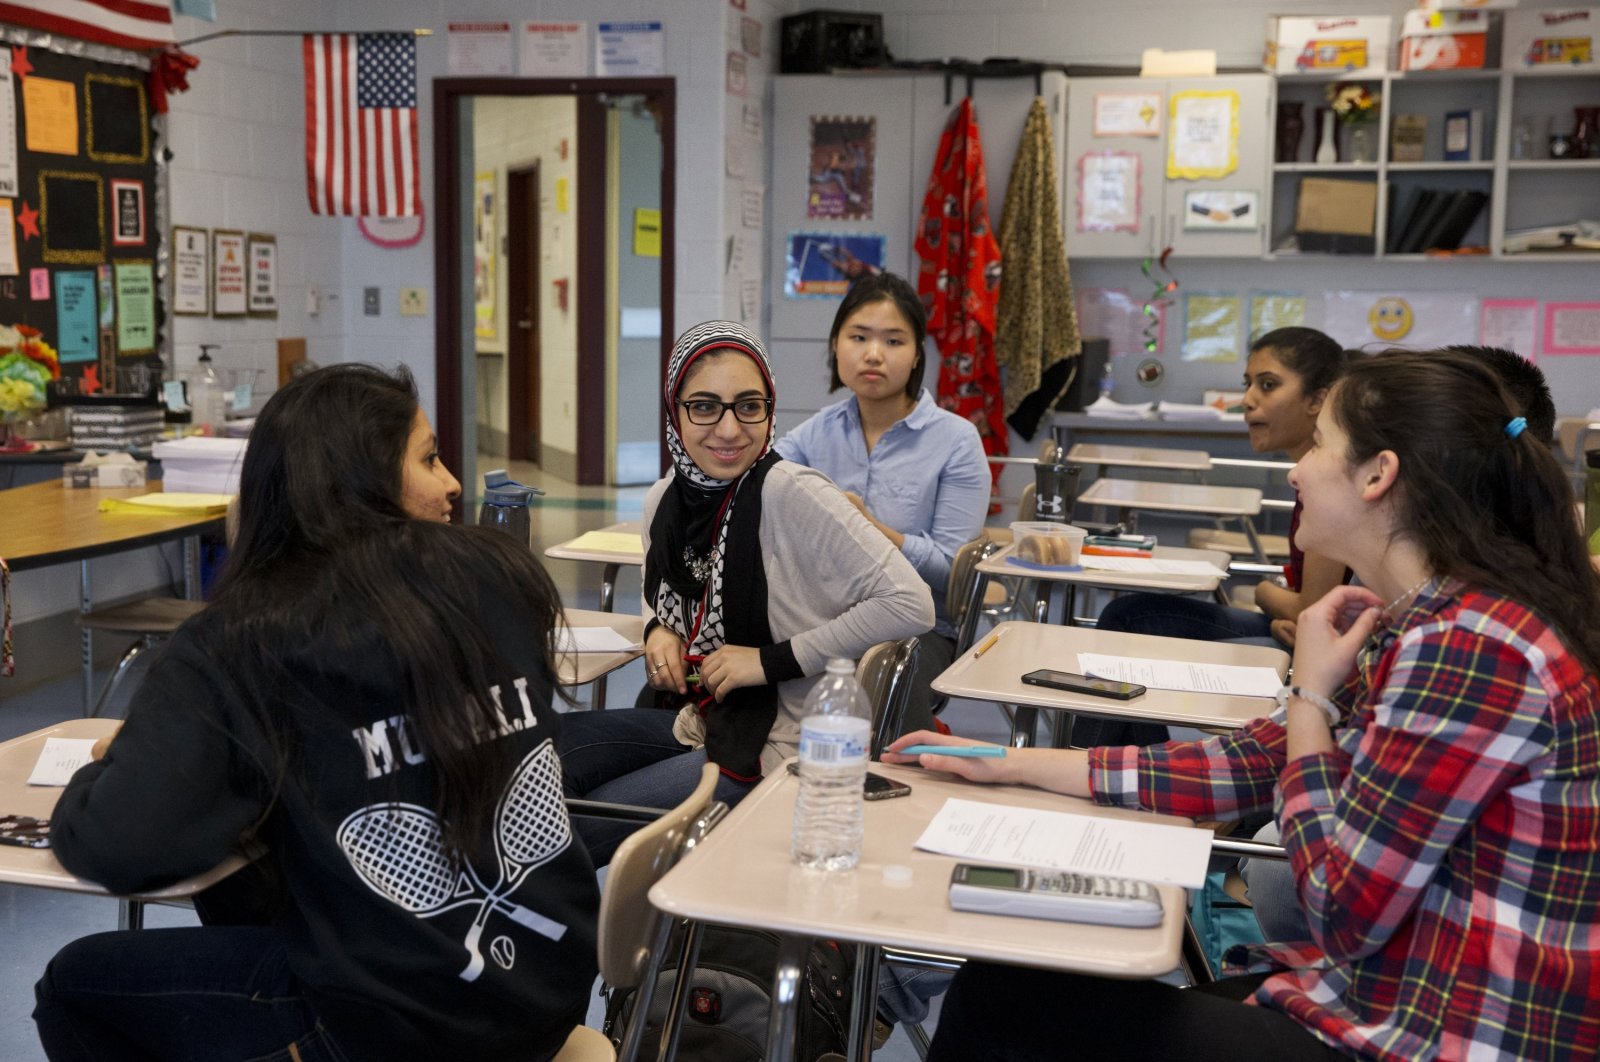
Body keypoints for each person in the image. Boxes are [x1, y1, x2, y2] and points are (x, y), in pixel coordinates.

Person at [887, 347, 1600, 1060]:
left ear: (1380, 475)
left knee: (1004, 999)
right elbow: (1252, 758)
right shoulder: (1429, 617)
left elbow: (1339, 908)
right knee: (1037, 983)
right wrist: (1015, 766)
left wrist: (1312, 700)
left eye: (1321, 446)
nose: (1297, 469)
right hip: (1389, 999)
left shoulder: (1472, 649)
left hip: (1438, 1035)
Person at [33, 365, 599, 1062]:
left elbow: (117, 846)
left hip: (401, 1030)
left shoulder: (245, 640)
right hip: (547, 996)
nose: (453, 483)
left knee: (73, 984)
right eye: (428, 458)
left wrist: (104, 772)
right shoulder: (496, 577)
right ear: (355, 478)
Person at [558, 321, 933, 862]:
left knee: (576, 831)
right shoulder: (665, 500)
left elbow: (911, 603)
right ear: (675, 410)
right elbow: (662, 586)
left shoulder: (791, 492)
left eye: (749, 406)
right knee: (534, 762)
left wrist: (770, 660)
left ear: (769, 408)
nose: (730, 430)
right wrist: (657, 626)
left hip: (781, 742)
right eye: (705, 407)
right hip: (705, 718)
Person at [1077, 327, 1352, 748]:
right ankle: (1131, 763)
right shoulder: (1309, 473)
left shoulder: (1331, 479)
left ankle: (1108, 767)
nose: (1248, 400)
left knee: (1131, 640)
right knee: (1127, 617)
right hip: (1287, 629)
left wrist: (1263, 591)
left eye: (1269, 385)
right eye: (1248, 384)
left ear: (1318, 399)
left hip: (1313, 652)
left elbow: (1309, 614)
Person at [776, 273, 989, 734]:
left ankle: (899, 788)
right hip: (821, 619)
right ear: (836, 345)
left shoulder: (956, 441)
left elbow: (955, 575)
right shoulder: (816, 433)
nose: (873, 354)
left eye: (893, 341)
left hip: (918, 630)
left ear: (916, 356)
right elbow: (759, 489)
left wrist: (872, 530)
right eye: (858, 337)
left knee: (891, 671)